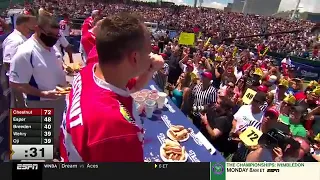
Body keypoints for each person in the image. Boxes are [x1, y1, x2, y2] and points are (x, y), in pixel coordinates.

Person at [60, 13, 164, 162]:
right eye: (148, 52)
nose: (152, 56)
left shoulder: (91, 70)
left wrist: (150, 69)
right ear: (134, 58)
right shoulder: (117, 130)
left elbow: (132, 88)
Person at [9, 15, 67, 149]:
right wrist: (44, 94)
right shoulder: (25, 52)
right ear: (38, 30)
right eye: (50, 34)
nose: (54, 38)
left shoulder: (51, 47)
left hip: (57, 101)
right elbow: (16, 83)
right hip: (38, 104)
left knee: (55, 139)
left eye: (57, 35)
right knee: (37, 148)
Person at [1, 14, 36, 108]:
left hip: (26, 82)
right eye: (32, 24)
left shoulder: (23, 38)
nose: (34, 27)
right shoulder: (14, 40)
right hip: (21, 84)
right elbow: (7, 62)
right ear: (24, 25)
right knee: (23, 109)